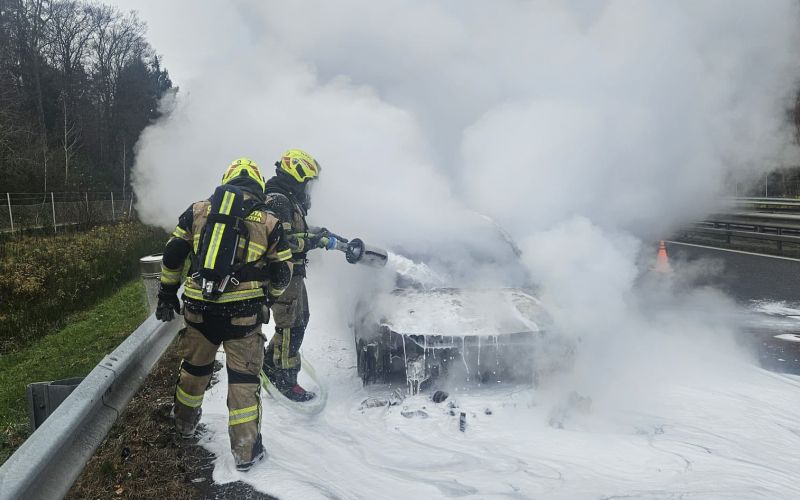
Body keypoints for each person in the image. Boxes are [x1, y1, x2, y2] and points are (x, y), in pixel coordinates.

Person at [155, 157, 293, 472]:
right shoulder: (269, 221)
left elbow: (173, 254)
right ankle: (246, 453)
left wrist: (166, 294)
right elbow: (283, 273)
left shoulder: (198, 211)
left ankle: (184, 426)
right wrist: (267, 297)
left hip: (199, 310)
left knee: (194, 370)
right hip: (243, 317)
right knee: (244, 381)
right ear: (257, 186)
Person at [260, 148, 328, 402]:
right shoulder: (278, 199)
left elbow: (297, 230)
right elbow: (283, 242)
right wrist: (315, 240)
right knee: (290, 327)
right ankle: (285, 380)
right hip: (284, 273)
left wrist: (320, 233)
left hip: (294, 274)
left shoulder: (288, 198)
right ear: (297, 174)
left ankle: (268, 362)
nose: (309, 188)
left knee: (301, 320)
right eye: (307, 181)